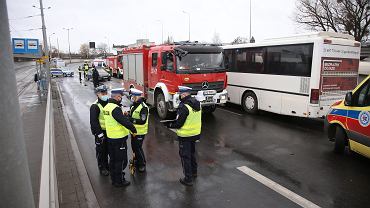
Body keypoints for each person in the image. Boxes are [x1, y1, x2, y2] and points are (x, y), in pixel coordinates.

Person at [163, 86, 202, 186]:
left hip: (185, 136)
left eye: (180, 94)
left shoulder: (184, 107)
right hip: (195, 134)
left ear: (184, 94)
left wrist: (169, 125)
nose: (180, 96)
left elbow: (179, 123)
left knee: (185, 156)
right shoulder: (197, 104)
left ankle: (188, 179)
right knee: (192, 154)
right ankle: (194, 172)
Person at [103, 88, 137, 187]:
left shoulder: (107, 107)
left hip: (111, 137)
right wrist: (133, 129)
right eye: (120, 96)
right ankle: (119, 181)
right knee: (120, 160)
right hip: (119, 139)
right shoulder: (115, 108)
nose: (121, 98)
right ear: (117, 97)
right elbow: (123, 121)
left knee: (113, 159)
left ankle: (114, 178)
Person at [89, 85, 110, 176]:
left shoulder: (109, 103)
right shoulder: (95, 106)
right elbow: (94, 122)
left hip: (109, 131)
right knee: (101, 151)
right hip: (100, 132)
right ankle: (102, 167)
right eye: (103, 93)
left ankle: (107, 165)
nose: (105, 95)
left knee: (108, 150)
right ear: (98, 94)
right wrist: (99, 134)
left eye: (106, 93)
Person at [128, 88, 149, 172]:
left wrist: (131, 119)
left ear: (138, 96)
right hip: (133, 131)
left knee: (138, 148)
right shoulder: (134, 105)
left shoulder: (143, 107)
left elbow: (142, 121)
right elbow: (132, 113)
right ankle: (137, 160)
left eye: (133, 96)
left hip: (140, 132)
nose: (132, 97)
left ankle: (142, 164)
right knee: (134, 147)